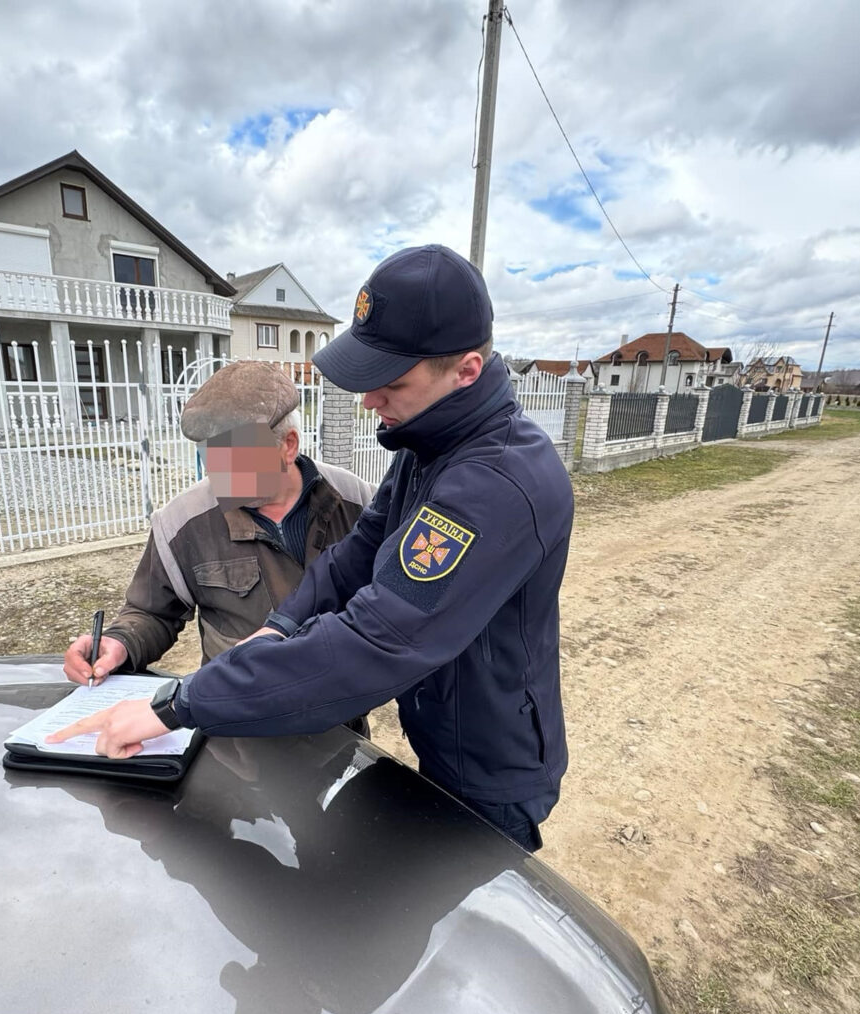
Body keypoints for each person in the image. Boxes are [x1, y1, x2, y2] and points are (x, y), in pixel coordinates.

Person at [52, 244, 575, 853]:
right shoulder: (426, 452)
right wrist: (278, 628)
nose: (369, 400)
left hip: (491, 761)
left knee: (468, 913)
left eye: (392, 382)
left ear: (466, 371)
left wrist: (177, 705)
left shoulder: (494, 485)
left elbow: (375, 639)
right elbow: (354, 558)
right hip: (437, 732)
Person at [62, 361, 374, 702]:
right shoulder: (181, 522)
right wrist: (119, 642)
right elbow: (151, 611)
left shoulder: (356, 501)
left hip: (341, 719)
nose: (220, 473)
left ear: (288, 445)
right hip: (238, 724)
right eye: (209, 455)